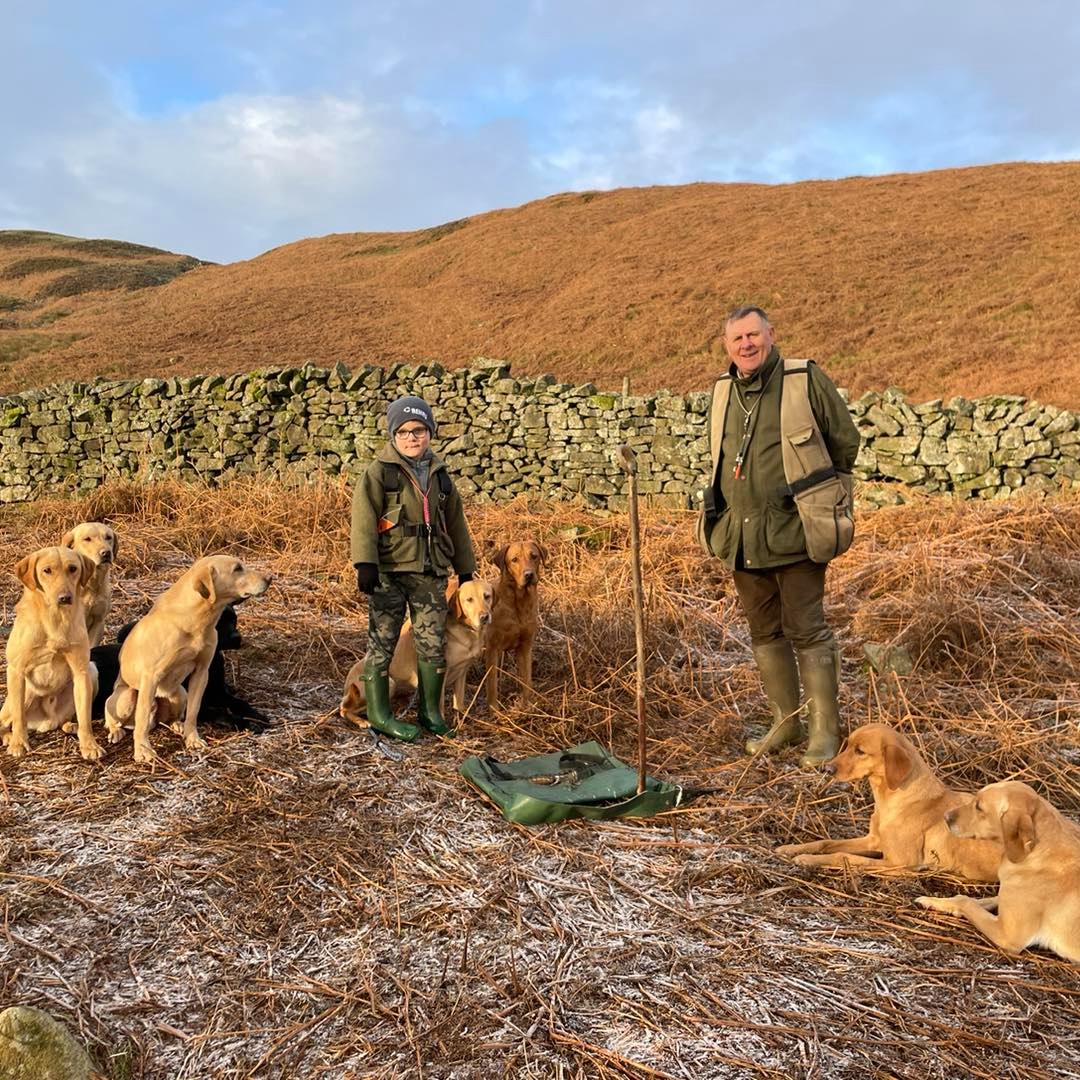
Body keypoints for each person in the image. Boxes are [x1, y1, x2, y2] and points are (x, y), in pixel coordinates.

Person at [697, 306, 861, 765]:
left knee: (807, 629)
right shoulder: (723, 391)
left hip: (797, 531)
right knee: (764, 631)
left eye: (753, 334)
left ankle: (825, 734)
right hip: (742, 537)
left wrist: (819, 494)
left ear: (771, 334)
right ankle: (786, 725)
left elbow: (844, 441)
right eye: (737, 339)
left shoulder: (803, 378)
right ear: (727, 346)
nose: (746, 345)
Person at [351, 395, 477, 741]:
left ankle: (430, 711)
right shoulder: (379, 473)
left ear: (430, 432)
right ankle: (379, 713)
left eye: (419, 430)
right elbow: (363, 519)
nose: (411, 438)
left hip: (430, 572)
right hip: (389, 572)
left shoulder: (441, 476)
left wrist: (465, 571)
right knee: (383, 641)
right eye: (404, 432)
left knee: (432, 642)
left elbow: (456, 524)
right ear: (393, 435)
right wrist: (365, 563)